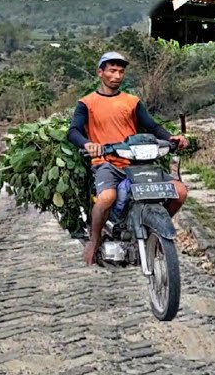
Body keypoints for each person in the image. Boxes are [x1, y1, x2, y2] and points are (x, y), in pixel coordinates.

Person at [67, 51, 188, 266]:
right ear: (100, 72)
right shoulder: (87, 102)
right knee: (106, 198)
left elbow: (152, 126)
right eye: (112, 71)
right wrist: (88, 144)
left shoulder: (132, 101)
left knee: (179, 192)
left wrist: (171, 138)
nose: (117, 76)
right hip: (106, 163)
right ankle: (94, 240)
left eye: (121, 71)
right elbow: (74, 131)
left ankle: (154, 231)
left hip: (138, 164)